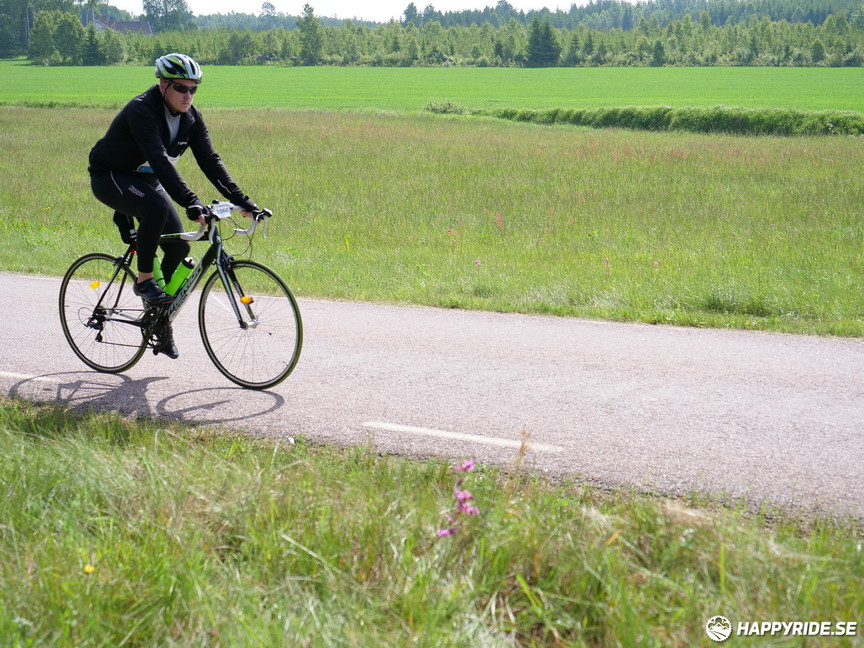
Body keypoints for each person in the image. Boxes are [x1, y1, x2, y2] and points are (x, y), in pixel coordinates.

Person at [88, 53, 259, 359]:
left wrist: (242, 201)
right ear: (163, 84)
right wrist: (192, 203)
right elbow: (160, 162)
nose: (188, 95)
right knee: (154, 208)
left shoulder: (191, 118)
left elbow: (210, 161)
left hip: (146, 183)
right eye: (181, 88)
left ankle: (158, 320)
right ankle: (144, 281)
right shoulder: (142, 110)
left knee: (180, 248)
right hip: (111, 176)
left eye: (194, 89)